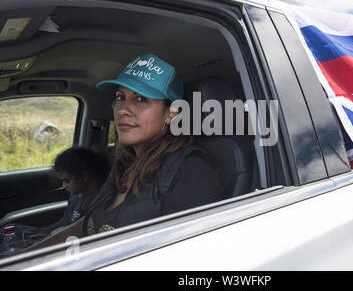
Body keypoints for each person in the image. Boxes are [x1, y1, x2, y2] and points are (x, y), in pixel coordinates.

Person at [29, 53, 223, 249]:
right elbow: (90, 223)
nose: (122, 109)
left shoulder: (190, 172)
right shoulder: (123, 165)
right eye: (120, 97)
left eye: (140, 99)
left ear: (170, 114)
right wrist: (30, 254)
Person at [1, 147, 110, 249]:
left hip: (67, 240)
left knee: (14, 246)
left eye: (67, 181)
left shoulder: (96, 199)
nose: (64, 186)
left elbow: (80, 231)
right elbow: (66, 220)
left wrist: (46, 238)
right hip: (56, 233)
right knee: (8, 228)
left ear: (85, 176)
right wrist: (47, 229)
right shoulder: (75, 195)